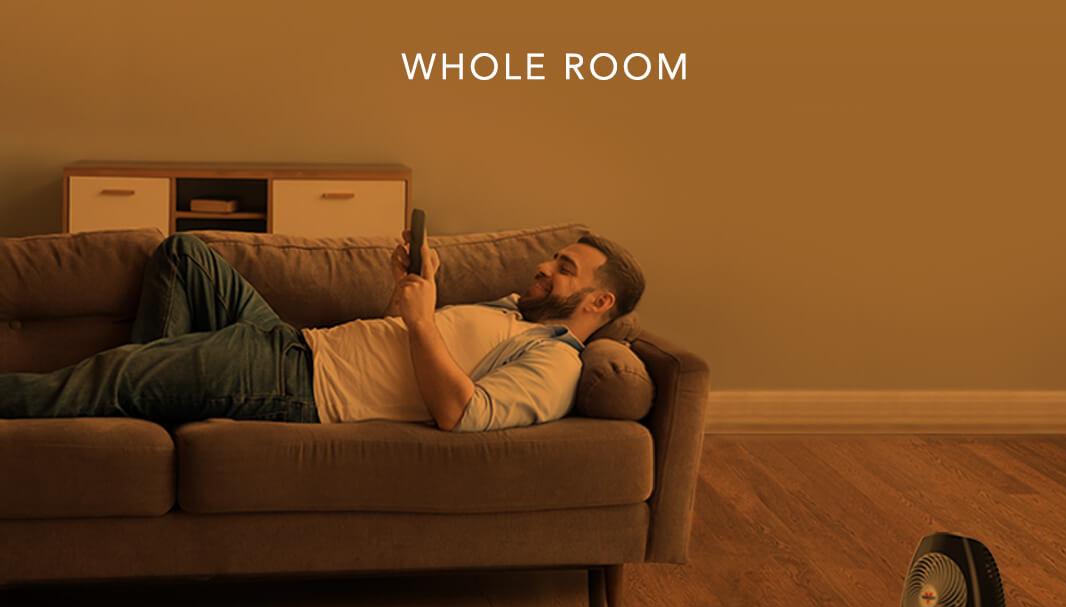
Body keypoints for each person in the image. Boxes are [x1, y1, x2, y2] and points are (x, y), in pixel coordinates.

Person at [0, 227, 645, 432]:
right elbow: (406, 347)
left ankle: (132, 387)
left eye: (564, 270)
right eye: (552, 259)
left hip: (300, 386)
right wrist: (411, 295)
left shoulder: (556, 364)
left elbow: (461, 412)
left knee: (111, 374)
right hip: (296, 343)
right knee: (182, 253)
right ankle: (147, 393)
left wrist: (422, 321)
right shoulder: (515, 310)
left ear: (599, 300)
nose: (543, 268)